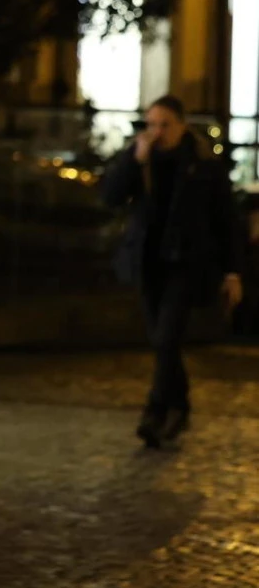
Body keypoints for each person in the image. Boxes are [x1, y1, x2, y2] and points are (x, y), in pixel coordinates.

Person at [100, 95, 243, 446]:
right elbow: (110, 197)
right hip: (148, 262)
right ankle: (177, 406)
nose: (158, 132)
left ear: (182, 125)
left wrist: (232, 272)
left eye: (165, 125)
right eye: (152, 125)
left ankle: (156, 409)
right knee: (161, 341)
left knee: (166, 338)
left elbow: (227, 222)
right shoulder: (141, 160)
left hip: (187, 264)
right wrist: (134, 163)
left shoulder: (203, 165)